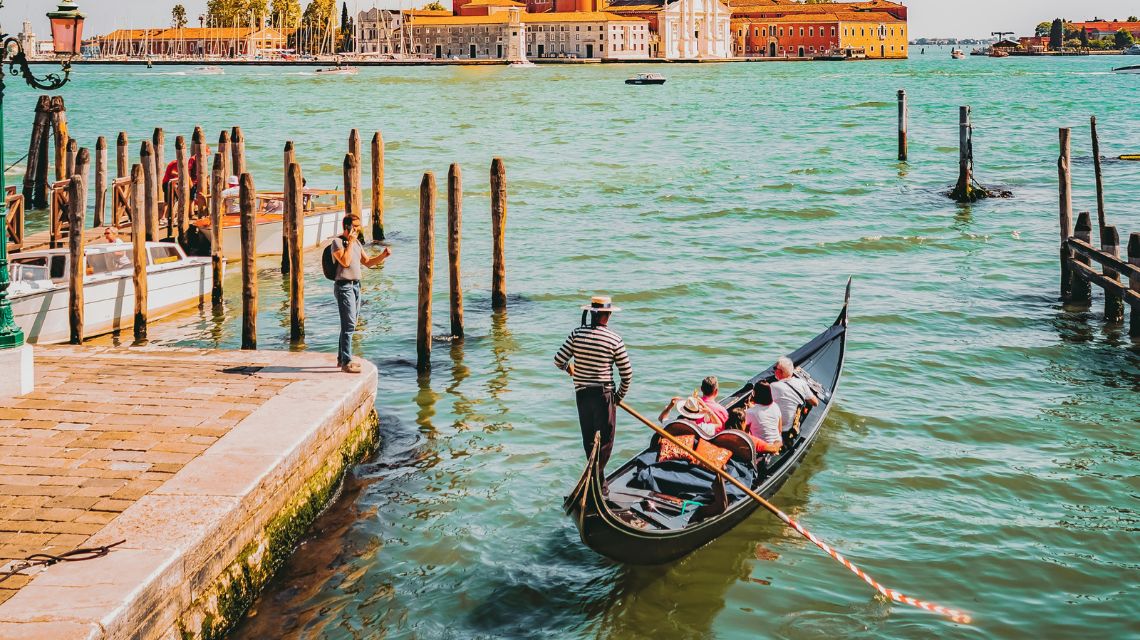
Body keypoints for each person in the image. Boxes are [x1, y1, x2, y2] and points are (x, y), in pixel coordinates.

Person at [554, 296, 633, 469]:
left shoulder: (577, 334)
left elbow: (559, 360)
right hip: (603, 395)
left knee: (589, 439)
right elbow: (627, 374)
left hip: (582, 394)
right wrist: (618, 397)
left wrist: (571, 370)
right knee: (606, 441)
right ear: (608, 315)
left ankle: (596, 478)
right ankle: (598, 479)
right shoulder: (614, 339)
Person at [331, 214, 391, 373]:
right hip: (344, 286)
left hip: (356, 286)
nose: (358, 230)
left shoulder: (356, 243)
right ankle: (346, 362)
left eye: (358, 226)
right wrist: (349, 242)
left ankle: (342, 358)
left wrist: (383, 256)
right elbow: (344, 261)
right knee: (349, 324)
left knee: (349, 323)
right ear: (346, 227)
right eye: (355, 227)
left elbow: (368, 262)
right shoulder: (337, 242)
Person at [771, 356, 818, 435]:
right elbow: (815, 403)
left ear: (780, 372)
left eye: (775, 368)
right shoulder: (802, 383)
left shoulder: (773, 386)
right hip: (789, 430)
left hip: (774, 429)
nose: (774, 370)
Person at [744, 382, 782, 454]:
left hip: (762, 449)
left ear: (754, 393)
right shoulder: (775, 406)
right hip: (777, 444)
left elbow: (745, 435)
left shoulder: (749, 413)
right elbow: (779, 429)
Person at [659, 394, 724, 436]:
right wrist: (708, 410)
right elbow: (719, 424)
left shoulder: (672, 424)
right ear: (696, 414)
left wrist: (670, 406)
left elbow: (662, 418)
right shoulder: (701, 428)